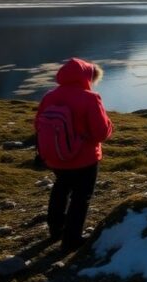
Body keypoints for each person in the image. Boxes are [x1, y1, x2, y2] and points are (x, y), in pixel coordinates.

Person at [34, 58, 113, 251]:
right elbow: (101, 133)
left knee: (60, 188)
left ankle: (55, 229)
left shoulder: (49, 96)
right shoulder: (90, 98)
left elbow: (38, 125)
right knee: (81, 197)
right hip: (84, 159)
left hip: (55, 157)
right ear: (87, 76)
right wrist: (110, 124)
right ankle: (71, 240)